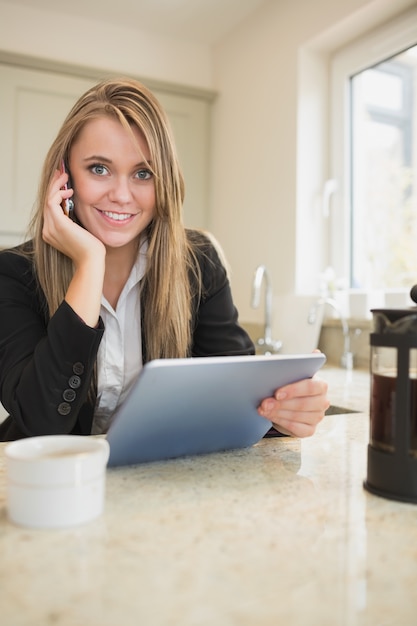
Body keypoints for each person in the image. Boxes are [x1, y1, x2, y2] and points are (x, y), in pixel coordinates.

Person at [0, 78, 329, 441]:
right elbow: (40, 423)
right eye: (99, 168)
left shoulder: (199, 263)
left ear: (164, 183)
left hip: (154, 483)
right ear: (64, 176)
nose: (122, 195)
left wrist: (280, 414)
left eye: (143, 173)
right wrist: (90, 263)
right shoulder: (14, 273)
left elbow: (234, 404)